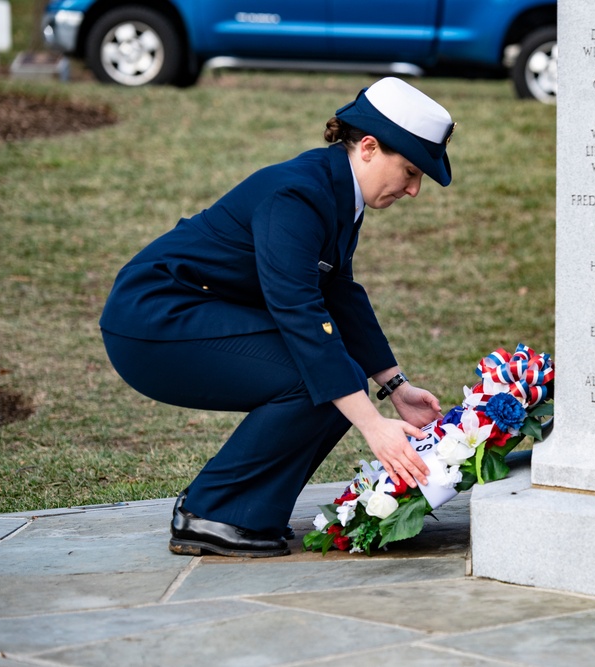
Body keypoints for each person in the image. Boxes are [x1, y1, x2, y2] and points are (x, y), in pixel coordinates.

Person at [99, 77, 455, 558]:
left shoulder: (336, 190)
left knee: (336, 379)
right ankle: (211, 513)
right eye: (411, 171)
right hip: (153, 322)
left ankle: (246, 511)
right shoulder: (299, 194)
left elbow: (340, 293)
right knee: (323, 379)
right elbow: (298, 310)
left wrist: (397, 389)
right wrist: (373, 426)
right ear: (368, 147)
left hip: (188, 314)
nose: (413, 189)